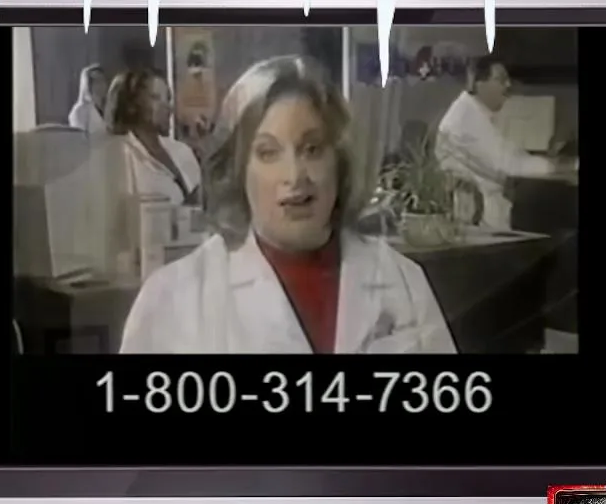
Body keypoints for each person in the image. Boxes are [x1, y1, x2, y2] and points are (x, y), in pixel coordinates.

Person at [119, 55, 456, 354]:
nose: (295, 176)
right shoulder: (172, 299)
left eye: (312, 149)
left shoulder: (402, 280)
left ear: (339, 161)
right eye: (268, 153)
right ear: (237, 171)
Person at [435, 54, 576, 230]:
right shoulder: (465, 118)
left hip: (485, 215)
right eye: (501, 79)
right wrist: (564, 166)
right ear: (478, 83)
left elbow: (511, 154)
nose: (508, 85)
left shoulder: (474, 112)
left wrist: (556, 164)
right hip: (478, 220)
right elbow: (509, 164)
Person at [103, 68, 202, 205]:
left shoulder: (182, 151)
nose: (167, 107)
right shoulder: (119, 157)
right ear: (131, 105)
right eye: (155, 98)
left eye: (168, 98)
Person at [67, 64, 109, 133]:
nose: (101, 85)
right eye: (97, 81)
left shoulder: (109, 108)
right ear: (87, 85)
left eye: (103, 80)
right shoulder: (79, 110)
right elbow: (79, 137)